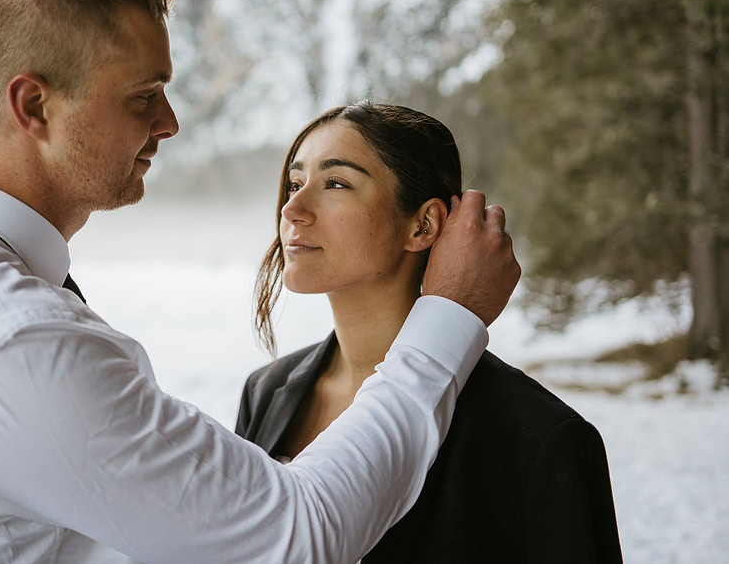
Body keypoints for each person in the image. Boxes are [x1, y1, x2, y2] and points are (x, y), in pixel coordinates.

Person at [0, 0, 521, 563]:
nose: (170, 122)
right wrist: (447, 317)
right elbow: (296, 537)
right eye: (143, 96)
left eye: (336, 183)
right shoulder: (16, 344)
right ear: (34, 106)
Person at [236, 102, 622, 563]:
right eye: (296, 183)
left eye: (336, 183)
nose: (293, 209)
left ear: (423, 225)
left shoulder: (539, 439)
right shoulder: (267, 391)